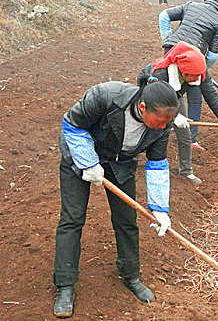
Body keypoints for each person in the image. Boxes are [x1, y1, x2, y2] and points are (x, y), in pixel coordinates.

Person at [53, 79, 180, 318]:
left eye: (168, 123)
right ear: (143, 108)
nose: (164, 127)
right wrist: (88, 162)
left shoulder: (163, 127)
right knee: (73, 219)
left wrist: (160, 208)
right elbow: (71, 124)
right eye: (161, 121)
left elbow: (157, 164)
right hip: (79, 156)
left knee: (126, 220)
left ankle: (130, 276)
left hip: (119, 162)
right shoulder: (105, 96)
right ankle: (65, 285)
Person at [138, 42, 218, 185]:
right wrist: (174, 117)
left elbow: (210, 93)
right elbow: (156, 101)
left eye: (199, 75)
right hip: (152, 91)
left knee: (185, 132)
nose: (197, 78)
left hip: (174, 94)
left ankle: (186, 171)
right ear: (182, 71)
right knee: (152, 126)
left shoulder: (199, 71)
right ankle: (132, 156)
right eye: (193, 76)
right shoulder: (161, 73)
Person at [158, 0, 218, 150]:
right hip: (195, 56)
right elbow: (213, 55)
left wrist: (168, 41)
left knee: (171, 87)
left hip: (172, 50)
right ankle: (191, 138)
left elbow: (164, 15)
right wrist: (203, 70)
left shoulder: (191, 5)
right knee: (195, 97)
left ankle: (169, 123)